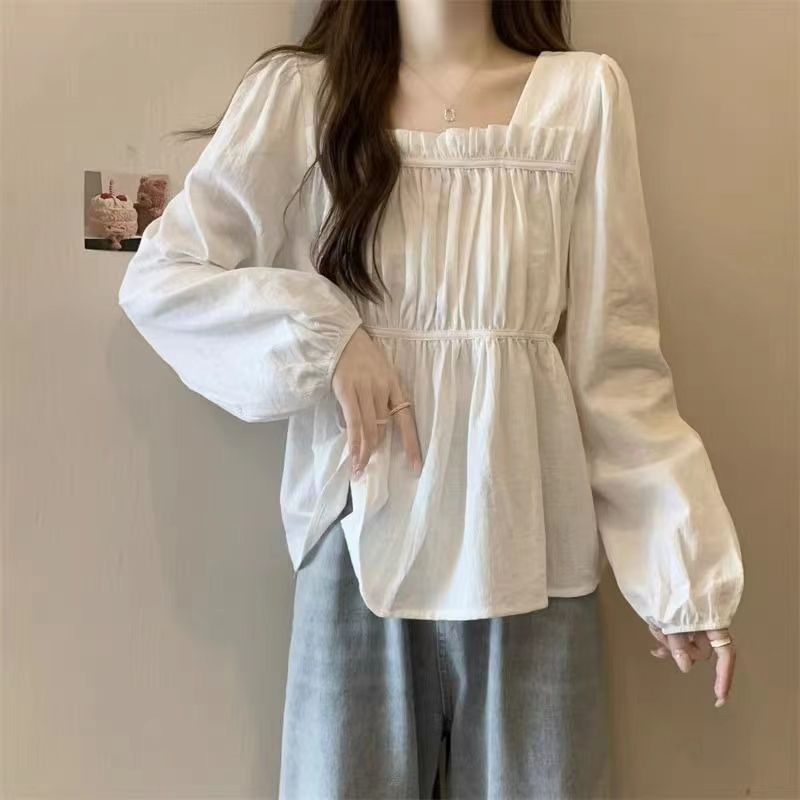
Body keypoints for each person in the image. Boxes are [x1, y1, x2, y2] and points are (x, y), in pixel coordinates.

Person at [117, 1, 745, 797]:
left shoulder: (581, 96)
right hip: (358, 541)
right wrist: (331, 337)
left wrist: (678, 569)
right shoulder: (302, 96)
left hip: (530, 547)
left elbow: (614, 360)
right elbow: (165, 279)